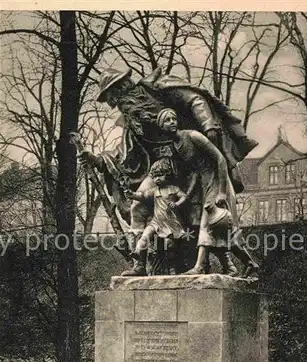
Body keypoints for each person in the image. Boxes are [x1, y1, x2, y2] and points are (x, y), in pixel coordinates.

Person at [79, 67, 258, 236]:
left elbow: (193, 99)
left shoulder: (156, 88)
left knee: (211, 213)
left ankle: (222, 258)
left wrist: (208, 124)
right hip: (163, 166)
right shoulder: (130, 117)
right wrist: (98, 160)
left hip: (192, 155)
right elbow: (126, 153)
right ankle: (140, 260)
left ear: (121, 88)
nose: (112, 103)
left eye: (111, 96)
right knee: (138, 207)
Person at [156, 108, 258, 277]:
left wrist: (222, 193)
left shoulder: (193, 135)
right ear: (161, 126)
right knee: (224, 230)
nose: (172, 122)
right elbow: (195, 171)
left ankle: (199, 267)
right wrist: (189, 195)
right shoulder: (175, 146)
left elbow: (220, 160)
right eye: (167, 120)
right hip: (204, 185)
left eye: (174, 118)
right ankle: (249, 263)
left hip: (218, 182)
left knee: (207, 224)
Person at [123, 158, 188, 276]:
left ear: (167, 175)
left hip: (170, 222)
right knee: (145, 235)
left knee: (170, 245)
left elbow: (184, 196)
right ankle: (138, 254)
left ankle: (172, 268)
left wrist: (177, 204)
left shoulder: (173, 189)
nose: (157, 179)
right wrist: (132, 195)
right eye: (155, 176)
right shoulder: (154, 190)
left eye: (160, 175)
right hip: (156, 221)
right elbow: (143, 196)